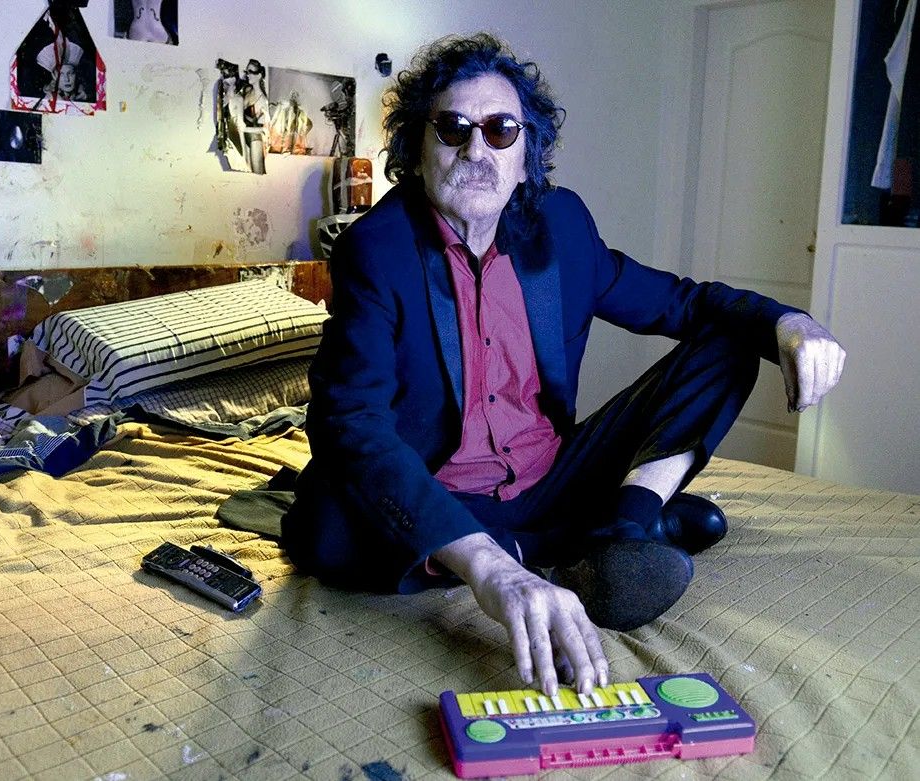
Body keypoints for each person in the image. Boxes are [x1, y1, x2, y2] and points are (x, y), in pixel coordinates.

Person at [281, 33, 845, 699]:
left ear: (526, 156)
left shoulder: (562, 228)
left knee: (731, 336)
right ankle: (559, 543)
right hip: (441, 488)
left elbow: (684, 303)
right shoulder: (377, 249)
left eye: (500, 130)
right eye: (453, 128)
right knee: (324, 527)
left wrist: (789, 322)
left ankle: (623, 529)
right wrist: (490, 568)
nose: (475, 150)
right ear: (417, 148)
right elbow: (352, 422)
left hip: (552, 474)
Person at [240, 59, 270, 174]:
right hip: (244, 137)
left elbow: (265, 129)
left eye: (251, 72)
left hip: (255, 140)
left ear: (259, 75)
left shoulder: (263, 101)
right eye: (247, 71)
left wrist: (244, 129)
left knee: (257, 176)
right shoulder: (247, 90)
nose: (248, 75)